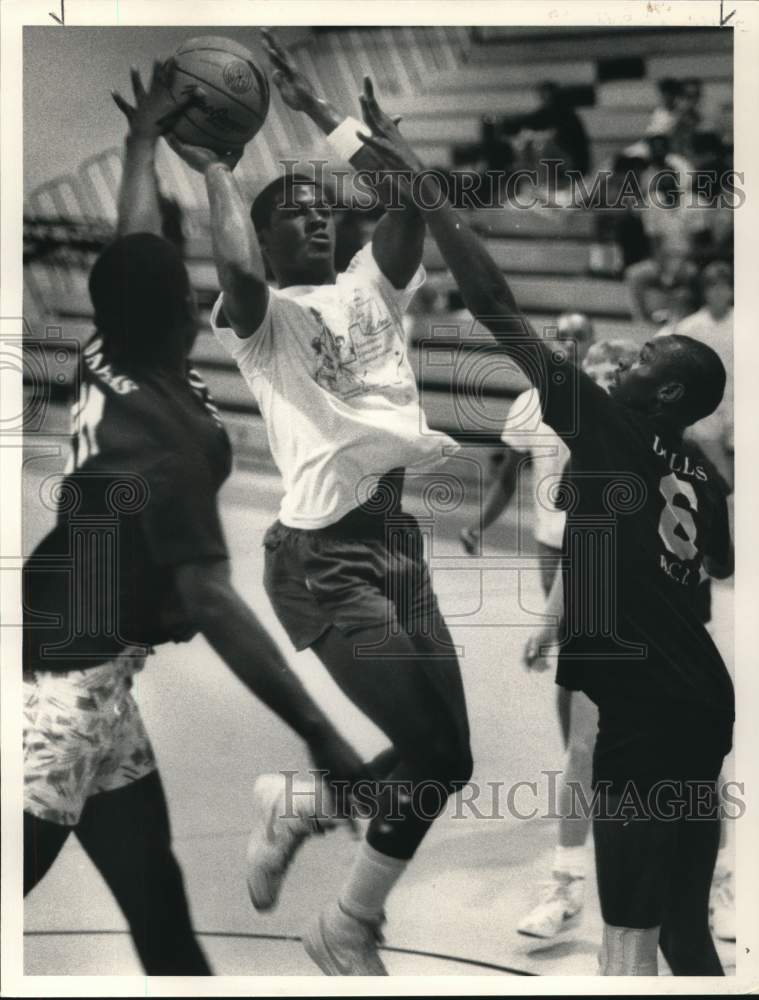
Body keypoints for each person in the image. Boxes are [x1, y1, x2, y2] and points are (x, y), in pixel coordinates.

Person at [357, 87, 734, 976]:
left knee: (627, 940)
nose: (621, 362)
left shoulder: (606, 428)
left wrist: (425, 185)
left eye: (642, 361)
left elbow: (492, 302)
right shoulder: (700, 474)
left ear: (669, 393)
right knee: (682, 930)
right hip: (701, 702)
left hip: (645, 721)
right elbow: (712, 561)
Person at [23, 62, 363, 976]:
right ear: (178, 309)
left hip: (94, 670)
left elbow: (131, 244)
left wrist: (143, 144)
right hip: (61, 697)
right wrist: (320, 733)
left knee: (164, 922)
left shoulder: (108, 350)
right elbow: (211, 600)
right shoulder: (161, 438)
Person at [166, 33, 471, 976]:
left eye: (322, 209)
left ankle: (307, 817)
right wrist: (220, 171)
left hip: (392, 538)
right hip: (320, 558)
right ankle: (346, 926)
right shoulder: (259, 322)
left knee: (446, 762)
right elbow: (238, 272)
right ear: (261, 238)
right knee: (424, 747)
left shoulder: (369, 287)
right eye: (292, 212)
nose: (317, 219)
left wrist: (321, 116)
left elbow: (411, 204)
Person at [515, 339, 640, 942]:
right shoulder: (581, 456)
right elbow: (579, 545)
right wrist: (548, 619)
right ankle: (566, 884)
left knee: (695, 760)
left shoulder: (673, 451)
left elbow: (717, 556)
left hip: (663, 622)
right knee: (583, 749)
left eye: (611, 377)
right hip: (595, 611)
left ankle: (717, 879)